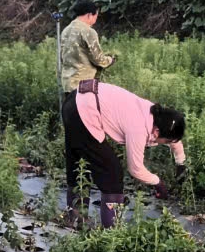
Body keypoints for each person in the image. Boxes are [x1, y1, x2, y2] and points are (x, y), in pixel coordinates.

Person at [62, 79, 187, 229]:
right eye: (165, 140)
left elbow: (174, 140)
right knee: (112, 173)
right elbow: (135, 169)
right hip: (84, 111)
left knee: (79, 162)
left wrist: (181, 164)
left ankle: (75, 220)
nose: (167, 142)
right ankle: (111, 232)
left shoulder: (157, 115)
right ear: (157, 132)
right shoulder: (138, 128)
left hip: (75, 99)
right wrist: (158, 183)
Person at [59, 0, 114, 102]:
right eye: (96, 16)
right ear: (89, 15)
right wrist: (110, 59)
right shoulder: (88, 31)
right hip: (83, 85)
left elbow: (62, 57)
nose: (95, 20)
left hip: (67, 84)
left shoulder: (66, 30)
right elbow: (98, 59)